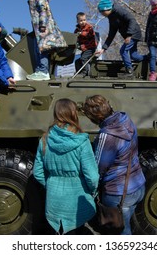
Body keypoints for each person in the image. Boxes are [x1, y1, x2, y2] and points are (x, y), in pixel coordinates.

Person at [33, 98, 99, 235]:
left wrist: (50, 184)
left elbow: (37, 172)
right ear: (73, 114)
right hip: (77, 201)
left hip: (54, 200)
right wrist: (92, 191)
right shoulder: (82, 141)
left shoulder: (45, 139)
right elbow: (92, 177)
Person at [83, 95, 146, 235]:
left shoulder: (107, 136)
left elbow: (97, 168)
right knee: (127, 225)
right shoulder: (126, 119)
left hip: (118, 193)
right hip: (138, 184)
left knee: (120, 234)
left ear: (95, 118)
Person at [18, 0, 67, 81]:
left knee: (43, 49)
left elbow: (42, 10)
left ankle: (43, 72)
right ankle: (39, 71)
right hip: (39, 28)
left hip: (43, 28)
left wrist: (43, 25)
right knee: (38, 49)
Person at [96, 0, 147, 75]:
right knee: (134, 56)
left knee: (123, 51)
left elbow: (131, 20)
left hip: (133, 33)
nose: (101, 14)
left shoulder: (119, 10)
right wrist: (104, 48)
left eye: (102, 12)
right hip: (128, 35)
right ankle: (149, 58)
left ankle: (129, 70)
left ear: (106, 9)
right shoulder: (111, 18)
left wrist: (129, 35)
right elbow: (111, 34)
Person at [74, 12, 97, 77]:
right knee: (77, 61)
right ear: (77, 21)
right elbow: (75, 37)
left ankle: (85, 73)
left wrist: (81, 33)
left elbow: (89, 34)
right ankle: (79, 73)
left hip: (90, 47)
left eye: (84, 20)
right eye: (81, 20)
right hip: (84, 49)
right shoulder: (77, 30)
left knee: (83, 59)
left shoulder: (89, 27)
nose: (83, 22)